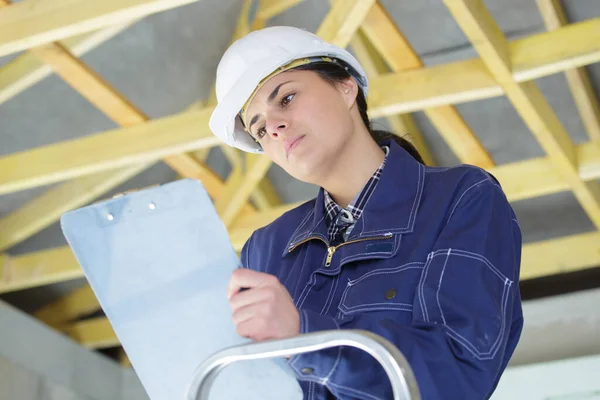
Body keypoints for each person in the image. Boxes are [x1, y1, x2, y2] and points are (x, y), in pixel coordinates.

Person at [209, 26, 524, 400]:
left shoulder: (461, 198)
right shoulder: (264, 249)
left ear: (345, 86)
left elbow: (458, 371)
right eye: (258, 128)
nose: (273, 127)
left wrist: (302, 335)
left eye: (287, 98)